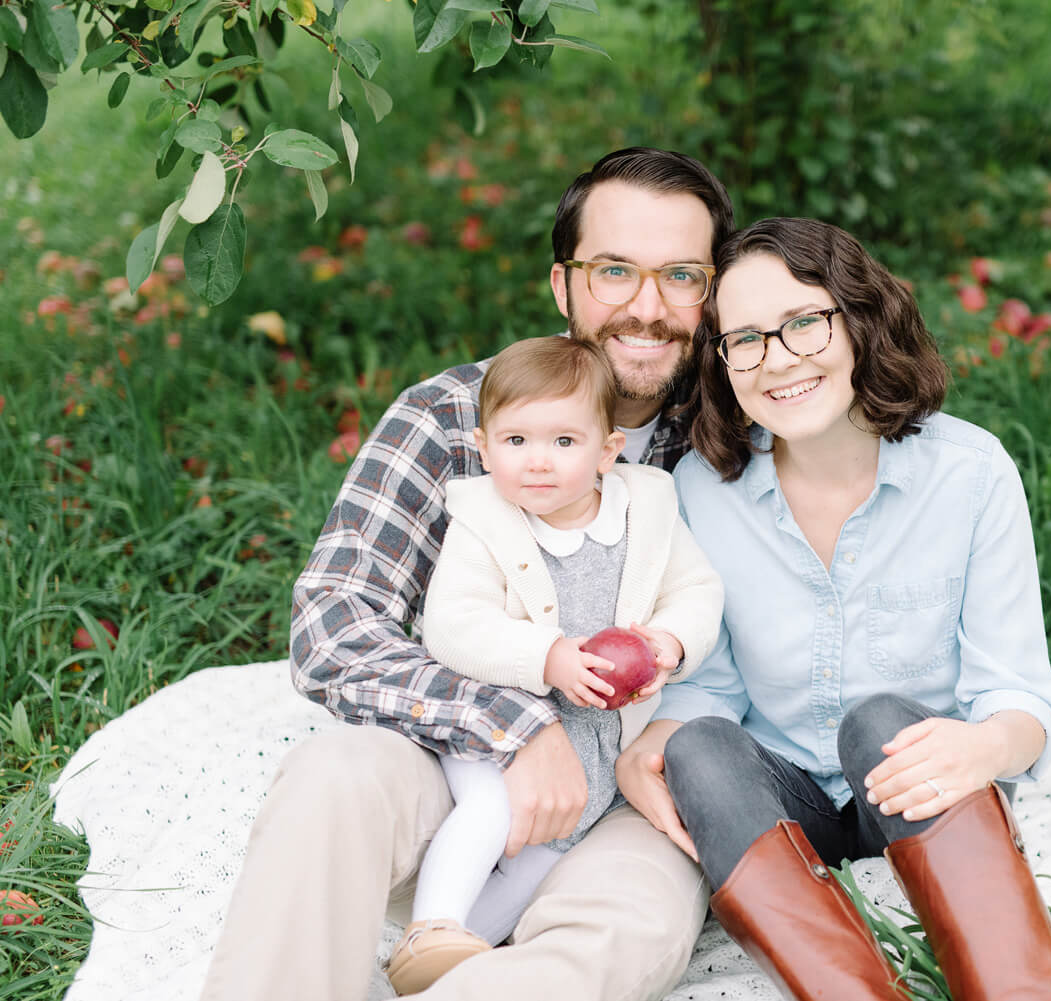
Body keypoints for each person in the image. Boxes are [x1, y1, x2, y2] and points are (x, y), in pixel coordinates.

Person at [199, 147, 734, 1001]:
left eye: (681, 275)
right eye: (614, 271)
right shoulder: (455, 417)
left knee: (635, 921)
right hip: (458, 771)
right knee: (331, 779)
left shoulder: (740, 432)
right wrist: (513, 726)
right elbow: (334, 624)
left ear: (713, 294)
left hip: (632, 788)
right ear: (563, 287)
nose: (647, 306)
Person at [615, 218, 1051, 1001]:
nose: (779, 359)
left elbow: (1018, 693)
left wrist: (986, 747)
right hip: (783, 799)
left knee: (880, 720)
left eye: (804, 322)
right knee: (697, 744)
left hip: (916, 786)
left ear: (860, 320)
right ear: (723, 360)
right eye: (747, 339)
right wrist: (651, 746)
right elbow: (714, 685)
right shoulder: (700, 488)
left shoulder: (970, 474)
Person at [384, 336, 722, 993]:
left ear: (607, 450)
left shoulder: (648, 507)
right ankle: (432, 924)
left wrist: (670, 642)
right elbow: (455, 625)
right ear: (485, 449)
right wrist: (546, 655)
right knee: (490, 812)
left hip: (596, 748)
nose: (537, 462)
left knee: (544, 856)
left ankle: (461, 959)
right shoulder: (484, 521)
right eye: (515, 442)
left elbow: (697, 589)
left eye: (564, 442)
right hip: (497, 728)